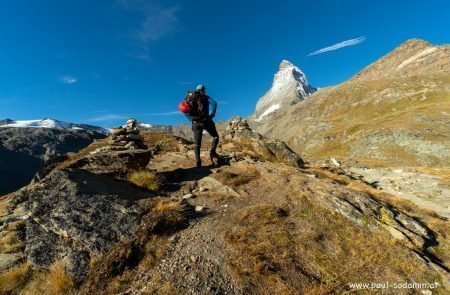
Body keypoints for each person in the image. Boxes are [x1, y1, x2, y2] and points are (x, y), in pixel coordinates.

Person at [182, 84, 220, 168]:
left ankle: (198, 162)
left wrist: (190, 119)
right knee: (215, 136)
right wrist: (212, 114)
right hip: (205, 121)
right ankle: (213, 152)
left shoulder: (189, 98)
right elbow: (214, 103)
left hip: (195, 123)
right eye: (205, 89)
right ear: (202, 90)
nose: (205, 91)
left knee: (197, 144)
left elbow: (184, 110)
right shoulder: (205, 97)